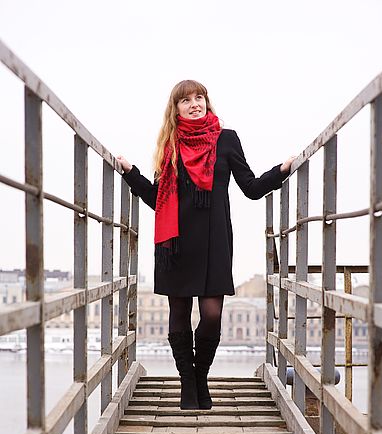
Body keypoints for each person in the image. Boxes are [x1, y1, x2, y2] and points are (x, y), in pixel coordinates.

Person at [116, 80, 295, 411]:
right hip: (176, 242)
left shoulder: (226, 140)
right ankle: (188, 384)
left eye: (199, 97)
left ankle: (200, 377)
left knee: (212, 314)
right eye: (186, 100)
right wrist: (131, 173)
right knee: (179, 312)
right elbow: (159, 198)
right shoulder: (170, 146)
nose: (194, 103)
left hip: (215, 240)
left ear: (207, 102)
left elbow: (252, 188)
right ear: (176, 109)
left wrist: (281, 171)